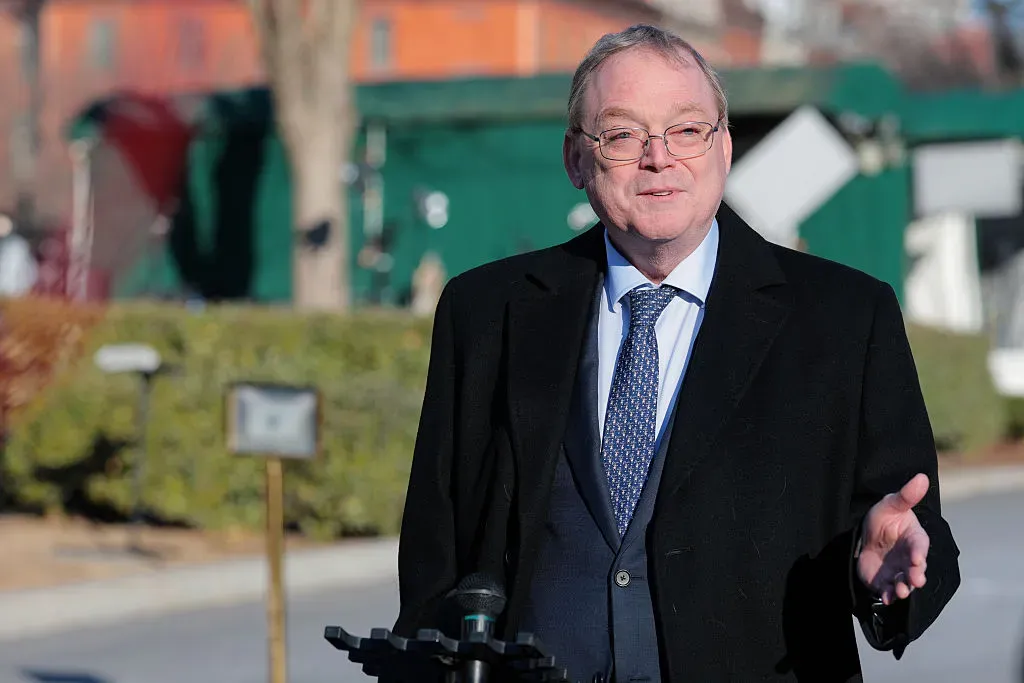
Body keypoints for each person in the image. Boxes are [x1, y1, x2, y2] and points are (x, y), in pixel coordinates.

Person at [394, 24, 960, 683]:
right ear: (577, 159)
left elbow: (918, 537)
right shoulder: (486, 312)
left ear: (722, 147)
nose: (658, 158)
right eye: (623, 134)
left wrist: (886, 576)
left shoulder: (843, 318)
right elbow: (435, 557)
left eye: (686, 130)